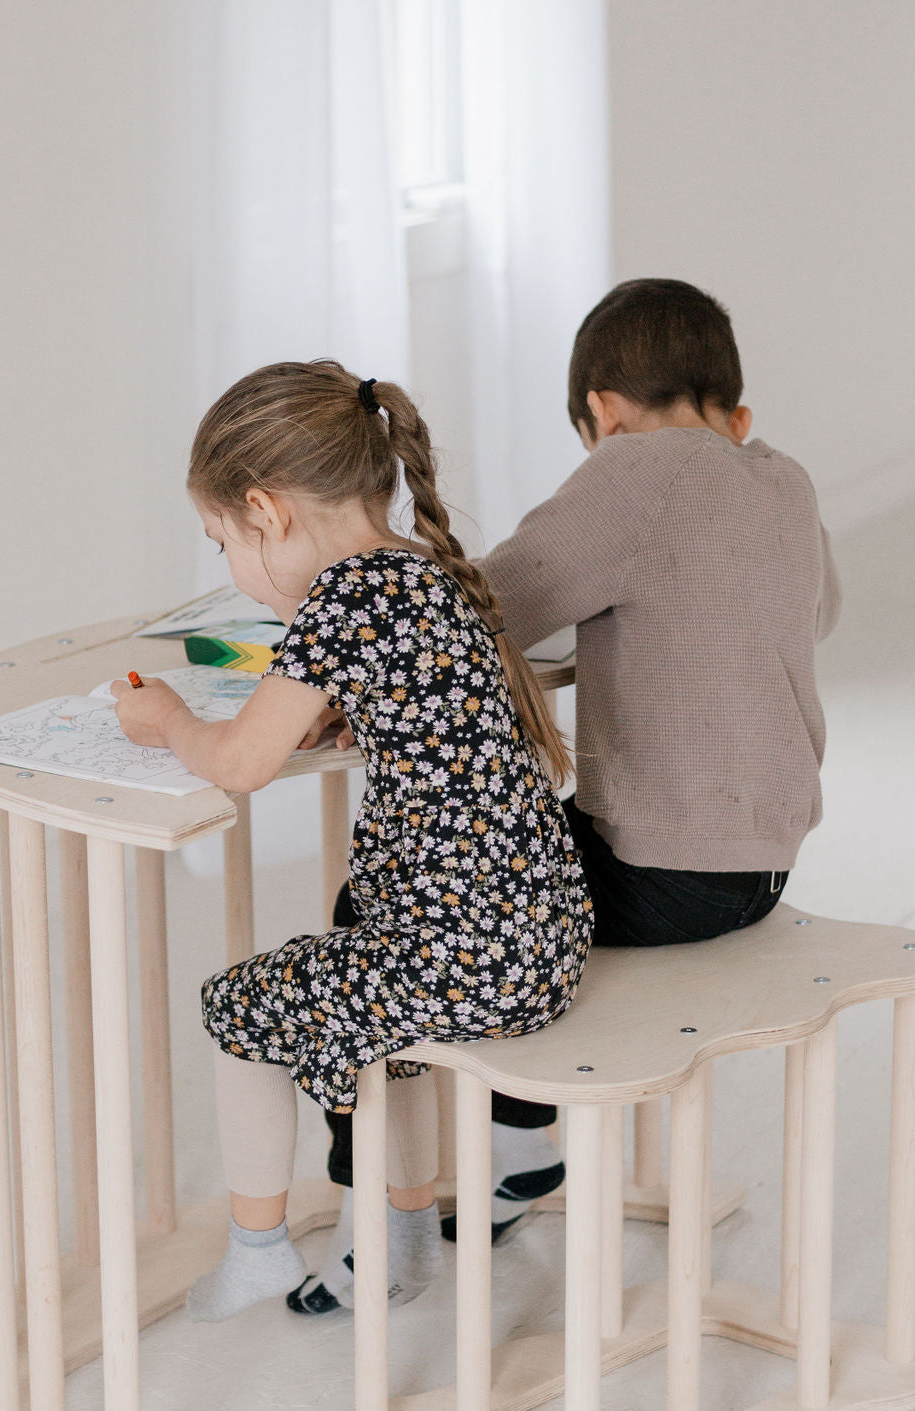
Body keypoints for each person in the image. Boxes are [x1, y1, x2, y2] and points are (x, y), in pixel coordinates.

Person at [319, 278, 842, 1252]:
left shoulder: (636, 471)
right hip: (764, 866)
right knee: (523, 854)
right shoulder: (784, 476)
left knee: (392, 902)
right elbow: (816, 612)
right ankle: (517, 1143)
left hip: (664, 870)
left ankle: (379, 1215)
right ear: (736, 413)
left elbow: (491, 606)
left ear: (601, 414)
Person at [112, 359, 594, 1320]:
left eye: (224, 544)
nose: (235, 570)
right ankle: (404, 1235)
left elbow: (241, 761)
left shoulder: (341, 600)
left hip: (460, 961)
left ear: (266, 509)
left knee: (237, 1008)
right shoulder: (425, 571)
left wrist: (166, 719)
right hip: (544, 939)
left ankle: (257, 1250)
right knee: (365, 978)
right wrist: (352, 715)